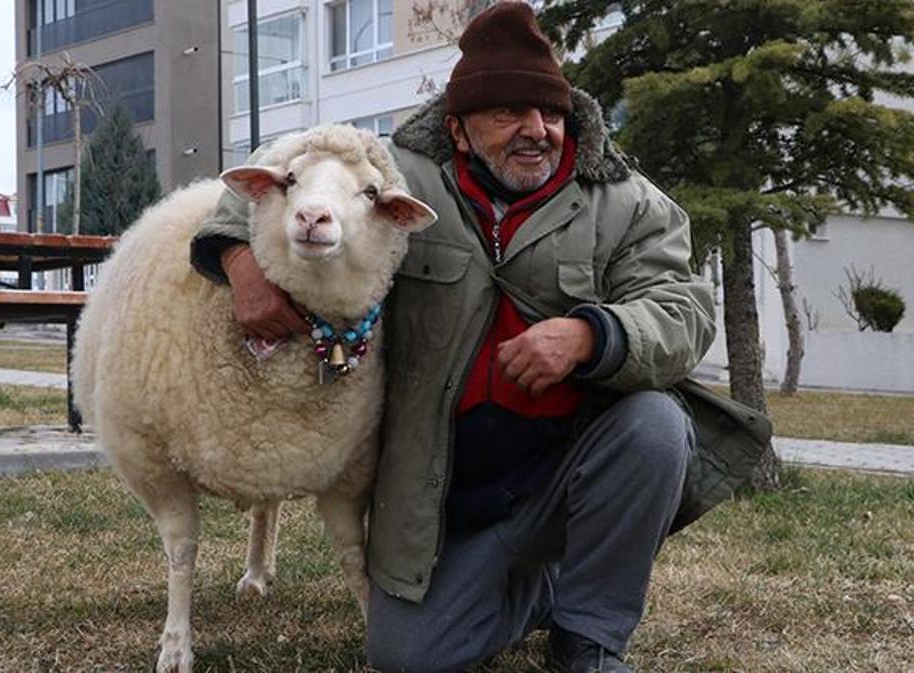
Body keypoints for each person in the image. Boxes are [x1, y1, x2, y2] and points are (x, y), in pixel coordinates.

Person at [191, 4, 767, 671]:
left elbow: (683, 308)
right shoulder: (398, 173)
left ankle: (588, 637)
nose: (538, 131)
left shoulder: (624, 200)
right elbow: (279, 167)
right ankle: (537, 589)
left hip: (566, 470)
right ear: (458, 131)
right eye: (509, 114)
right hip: (447, 494)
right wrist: (240, 263)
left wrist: (591, 333)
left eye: (550, 113)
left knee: (655, 425)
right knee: (406, 657)